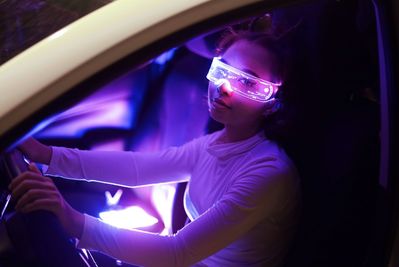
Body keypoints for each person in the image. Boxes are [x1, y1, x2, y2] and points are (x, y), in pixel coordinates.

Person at [9, 18, 301, 267]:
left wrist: (72, 219)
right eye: (222, 71)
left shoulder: (267, 173)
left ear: (272, 103)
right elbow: (139, 168)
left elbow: (177, 252)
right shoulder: (216, 144)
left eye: (248, 82)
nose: (224, 87)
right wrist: (46, 155)